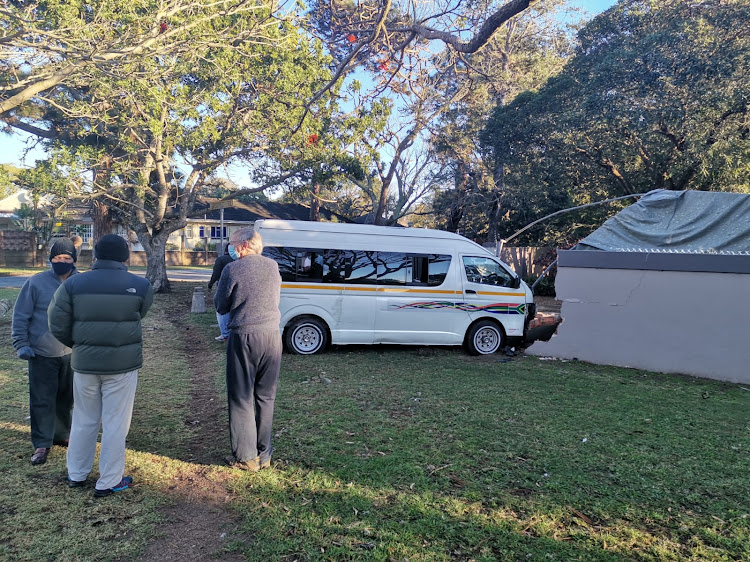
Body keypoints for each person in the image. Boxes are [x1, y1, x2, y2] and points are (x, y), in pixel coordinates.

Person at [48, 234, 154, 497]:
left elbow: (56, 321)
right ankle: (109, 480)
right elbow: (140, 313)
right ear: (125, 257)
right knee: (116, 423)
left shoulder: (73, 284)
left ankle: (77, 473)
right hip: (122, 366)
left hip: (84, 364)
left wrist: (80, 343)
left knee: (84, 419)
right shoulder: (140, 285)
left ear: (94, 255)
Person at [214, 227, 282, 471]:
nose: (230, 248)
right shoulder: (273, 266)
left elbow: (221, 306)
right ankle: (265, 454)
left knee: (241, 396)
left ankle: (246, 456)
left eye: (232, 243)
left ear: (243, 245)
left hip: (244, 336)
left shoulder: (231, 269)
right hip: (272, 336)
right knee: (265, 397)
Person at [12, 239, 79, 465]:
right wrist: (22, 344)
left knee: (66, 398)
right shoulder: (36, 283)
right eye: (57, 258)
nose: (61, 261)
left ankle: (62, 435)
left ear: (74, 260)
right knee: (42, 399)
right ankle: (42, 443)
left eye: (66, 258)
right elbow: (21, 315)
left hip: (72, 352)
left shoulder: (81, 282)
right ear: (50, 259)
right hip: (41, 352)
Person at [208, 243, 235, 342]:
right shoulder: (240, 260)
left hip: (223, 288)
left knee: (222, 309)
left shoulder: (221, 259)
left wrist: (210, 284)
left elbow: (215, 274)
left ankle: (225, 333)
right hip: (237, 288)